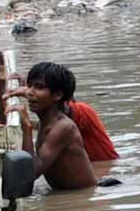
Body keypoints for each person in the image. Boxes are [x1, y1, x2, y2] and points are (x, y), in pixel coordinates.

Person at [14, 62, 98, 191]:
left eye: (39, 87)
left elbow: (31, 174)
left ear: (57, 95)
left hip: (84, 195)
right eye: (29, 85)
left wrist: (27, 128)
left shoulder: (63, 127)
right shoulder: (46, 122)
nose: (29, 92)